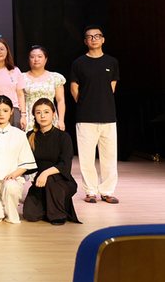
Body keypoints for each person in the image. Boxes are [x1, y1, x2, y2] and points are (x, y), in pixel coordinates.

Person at [70, 26, 120, 204]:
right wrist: (86, 103)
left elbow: (111, 87)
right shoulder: (79, 63)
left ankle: (107, 191)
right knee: (86, 158)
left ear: (103, 39)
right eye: (90, 37)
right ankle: (90, 191)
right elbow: (74, 89)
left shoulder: (112, 62)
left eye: (97, 36)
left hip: (108, 116)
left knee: (109, 157)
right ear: (85, 41)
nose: (94, 39)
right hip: (85, 117)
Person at [0, 95, 36, 224]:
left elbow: (26, 163)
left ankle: (11, 212)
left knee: (10, 186)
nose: (1, 114)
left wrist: (13, 175)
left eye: (5, 110)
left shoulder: (19, 134)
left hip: (12, 181)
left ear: (11, 111)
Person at [23, 98, 80, 225]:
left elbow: (65, 165)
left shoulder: (63, 137)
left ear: (54, 114)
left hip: (61, 181)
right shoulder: (30, 136)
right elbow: (28, 164)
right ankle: (50, 206)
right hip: (41, 182)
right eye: (38, 112)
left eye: (46, 112)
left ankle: (58, 214)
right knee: (30, 215)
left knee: (50, 179)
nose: (42, 116)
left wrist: (45, 173)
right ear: (34, 115)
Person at [23, 45, 66, 132]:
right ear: (28, 59)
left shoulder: (55, 77)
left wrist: (61, 120)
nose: (36, 59)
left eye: (40, 56)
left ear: (46, 59)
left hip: (49, 116)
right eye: (33, 57)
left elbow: (60, 100)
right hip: (29, 117)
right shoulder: (21, 77)